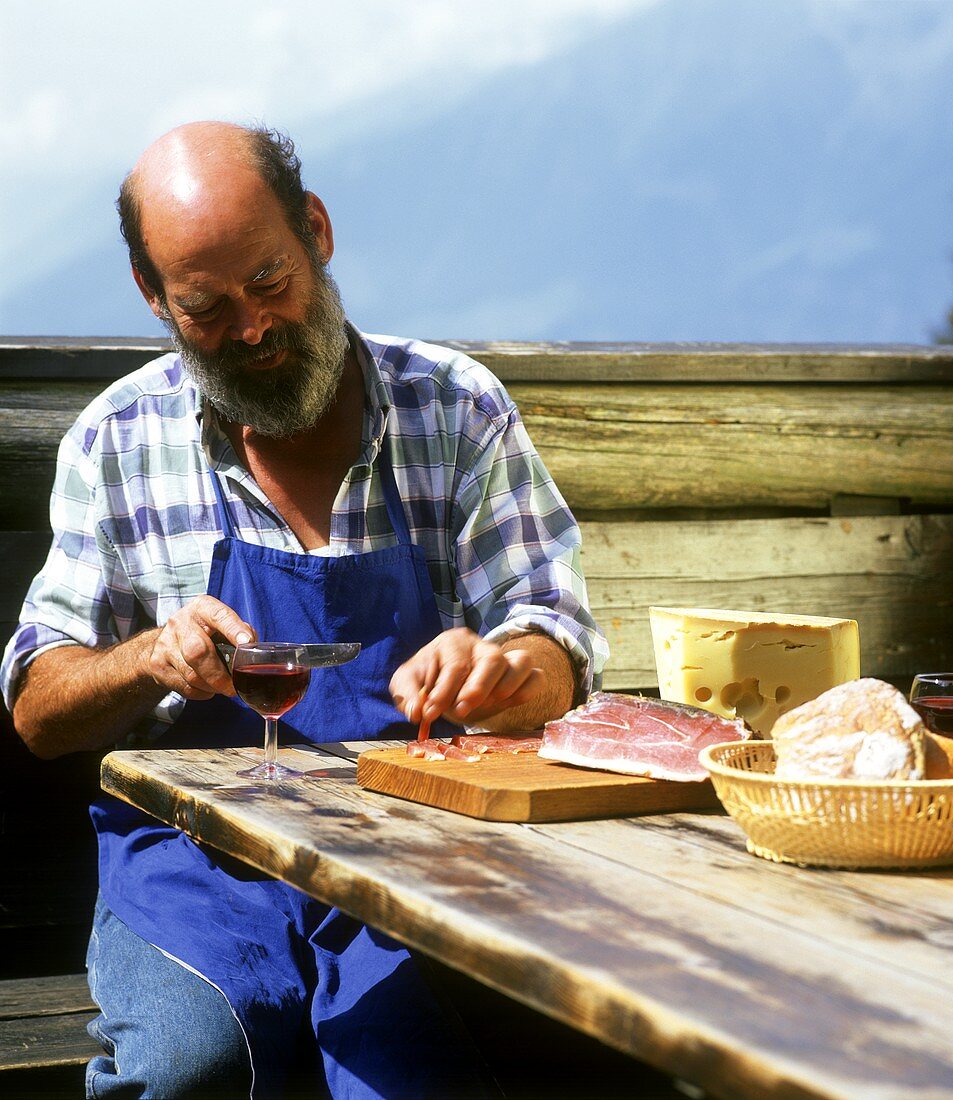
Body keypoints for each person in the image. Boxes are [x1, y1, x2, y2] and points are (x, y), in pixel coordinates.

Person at [1, 120, 607, 1097]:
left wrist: (504, 669)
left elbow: (557, 637)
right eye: (203, 307)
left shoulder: (455, 409)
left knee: (411, 1071)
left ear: (316, 232)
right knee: (195, 1065)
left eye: (269, 281)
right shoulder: (114, 439)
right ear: (152, 297)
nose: (250, 326)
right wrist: (146, 656)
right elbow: (37, 706)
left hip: (412, 857)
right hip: (194, 867)